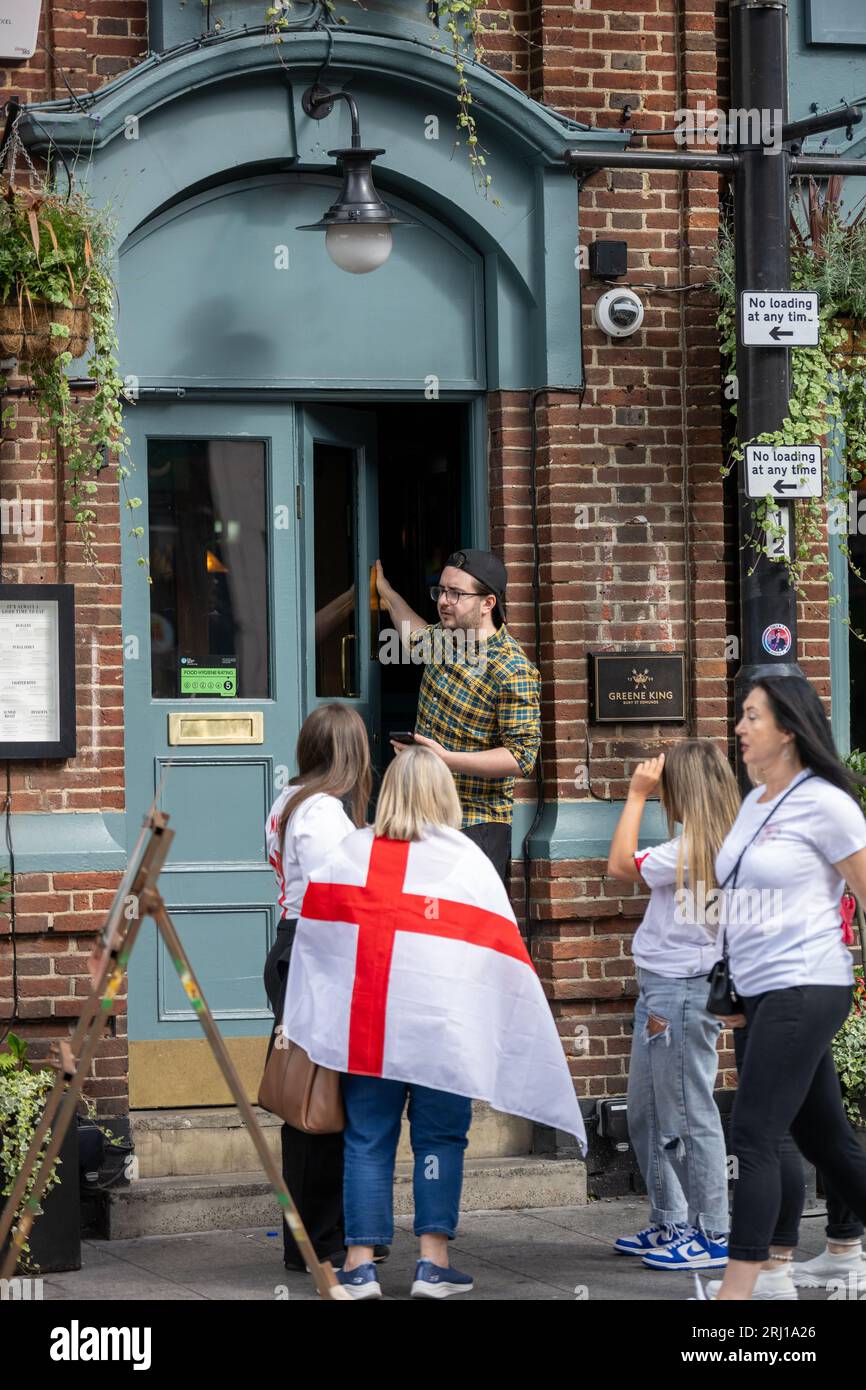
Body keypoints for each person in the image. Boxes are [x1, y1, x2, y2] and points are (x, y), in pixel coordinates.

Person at [282, 744, 586, 1299]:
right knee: (440, 1138)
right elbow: (497, 950)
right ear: (444, 795)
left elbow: (317, 941)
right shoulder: (464, 860)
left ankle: (358, 1267)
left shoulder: (351, 852)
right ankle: (432, 1263)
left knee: (367, 1138)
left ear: (389, 791)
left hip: (370, 1030)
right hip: (442, 1030)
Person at [710, 676, 866, 1301]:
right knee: (823, 1136)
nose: (740, 728)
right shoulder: (754, 802)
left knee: (753, 1134)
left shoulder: (827, 804)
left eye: (752, 716)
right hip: (763, 994)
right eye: (741, 716)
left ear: (789, 729)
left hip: (808, 984)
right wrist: (739, 992)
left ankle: (744, 1292)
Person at [607, 742, 740, 1272]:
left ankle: (713, 1233)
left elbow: (618, 865)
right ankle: (672, 1219)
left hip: (680, 992)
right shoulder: (707, 845)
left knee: (687, 1112)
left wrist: (635, 796)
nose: (664, 794)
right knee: (647, 1111)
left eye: (668, 788)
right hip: (666, 988)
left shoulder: (691, 849)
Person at [263, 702, 371, 1272]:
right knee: (320, 1097)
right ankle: (326, 1239)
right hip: (318, 950)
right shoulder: (325, 812)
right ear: (351, 754)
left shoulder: (289, 800)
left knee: (301, 1095)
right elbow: (340, 897)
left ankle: (305, 1239)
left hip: (292, 943)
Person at [375, 548, 540, 883]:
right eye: (441, 591)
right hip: (424, 818)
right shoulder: (445, 639)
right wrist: (386, 593)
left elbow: (521, 757)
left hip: (476, 827)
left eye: (456, 593)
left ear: (487, 603)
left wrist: (447, 759)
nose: (444, 601)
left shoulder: (512, 668)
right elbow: (414, 634)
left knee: (466, 931)